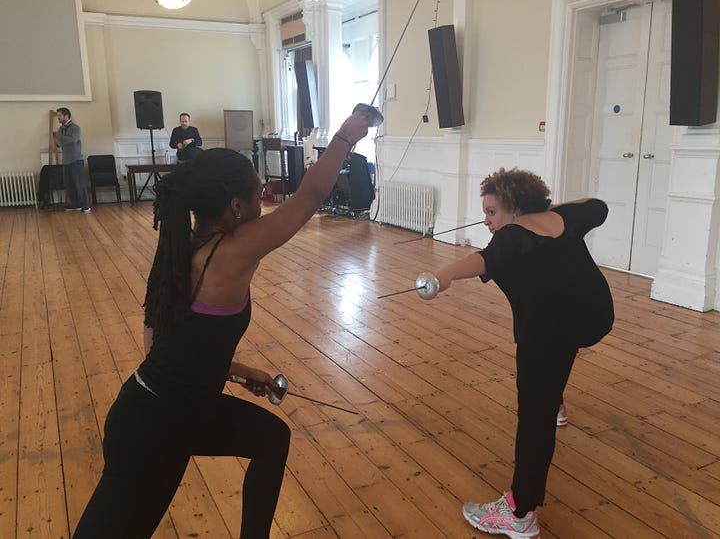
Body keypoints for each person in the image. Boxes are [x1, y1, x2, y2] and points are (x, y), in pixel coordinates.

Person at [72, 110, 371, 538]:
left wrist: (235, 371)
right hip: (153, 430)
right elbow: (307, 199)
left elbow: (163, 345)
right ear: (235, 207)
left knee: (270, 439)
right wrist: (344, 136)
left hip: (168, 409)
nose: (262, 205)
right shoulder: (227, 252)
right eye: (257, 198)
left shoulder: (181, 250)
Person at [429, 168, 614, 539]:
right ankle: (555, 398)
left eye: (492, 211)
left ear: (514, 207)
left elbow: (483, 259)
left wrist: (442, 276)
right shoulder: (564, 218)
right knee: (554, 368)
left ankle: (519, 513)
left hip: (549, 331)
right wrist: (544, 210)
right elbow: (598, 207)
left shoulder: (511, 237)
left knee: (534, 418)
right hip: (594, 316)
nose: (487, 221)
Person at [55, 107, 91, 213]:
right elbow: (58, 142)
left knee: (79, 183)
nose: (58, 118)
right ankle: (76, 204)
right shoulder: (61, 129)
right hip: (66, 160)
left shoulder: (75, 128)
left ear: (66, 116)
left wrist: (61, 138)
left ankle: (85, 205)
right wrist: (61, 138)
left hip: (76, 160)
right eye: (58, 116)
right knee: (69, 184)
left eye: (60, 116)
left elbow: (73, 140)